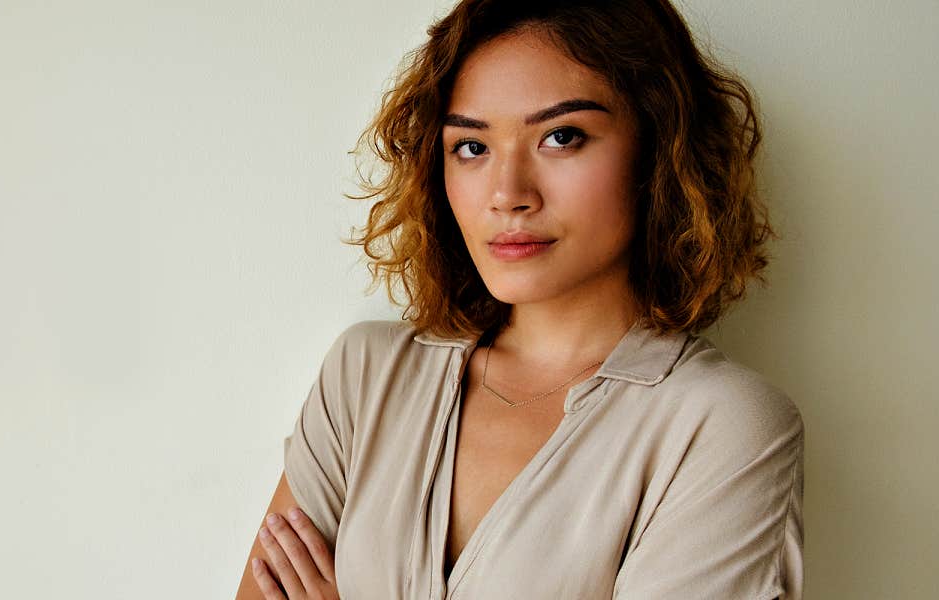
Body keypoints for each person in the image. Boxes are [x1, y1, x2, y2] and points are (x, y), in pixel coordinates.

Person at [235, 0, 804, 598]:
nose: (508, 193)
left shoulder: (724, 426)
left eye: (562, 137)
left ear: (658, 153)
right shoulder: (366, 377)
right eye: (472, 147)